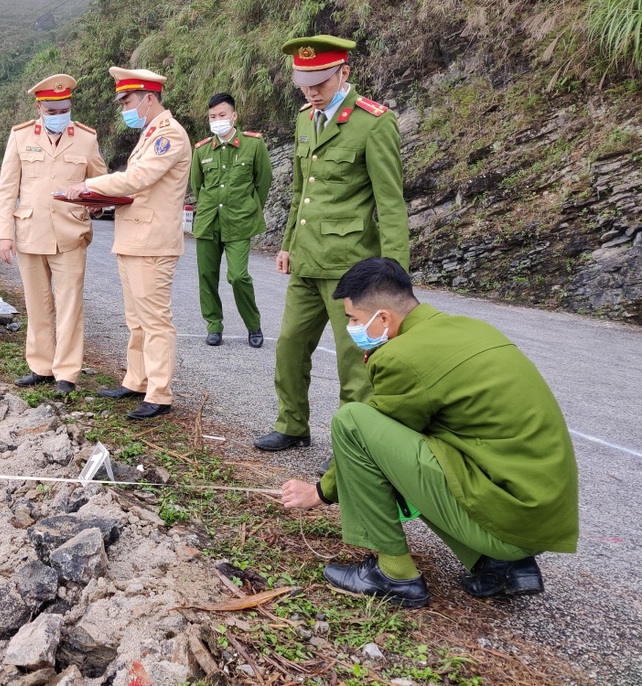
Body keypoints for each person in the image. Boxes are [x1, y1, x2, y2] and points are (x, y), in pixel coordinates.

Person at [280, 258, 578, 607]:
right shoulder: (467, 328)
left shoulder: (402, 357)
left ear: (384, 318)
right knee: (425, 443)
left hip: (510, 516)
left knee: (351, 422)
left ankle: (394, 574)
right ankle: (500, 565)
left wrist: (320, 492)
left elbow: (368, 437)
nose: (351, 328)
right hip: (540, 512)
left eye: (355, 319)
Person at [254, 35, 410, 453]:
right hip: (306, 261)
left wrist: (393, 279)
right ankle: (292, 425)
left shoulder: (373, 123)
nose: (311, 92)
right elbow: (301, 193)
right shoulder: (306, 118)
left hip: (352, 269)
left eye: (320, 83)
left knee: (353, 364)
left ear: (344, 73)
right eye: (304, 84)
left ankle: (352, 447)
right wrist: (287, 243)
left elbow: (390, 206)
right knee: (289, 346)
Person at [64, 67, 191, 420]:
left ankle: (160, 393)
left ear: (149, 99)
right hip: (133, 239)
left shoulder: (170, 135)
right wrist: (102, 199)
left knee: (155, 321)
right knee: (136, 320)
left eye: (128, 101)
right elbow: (139, 191)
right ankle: (137, 380)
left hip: (152, 244)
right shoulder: (150, 134)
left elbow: (138, 178)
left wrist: (91, 186)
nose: (125, 108)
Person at [0, 73, 108, 395]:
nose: (58, 116)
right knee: (37, 303)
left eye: (64, 110)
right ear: (39, 107)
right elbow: (8, 191)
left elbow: (99, 183)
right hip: (30, 232)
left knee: (70, 305)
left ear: (70, 106)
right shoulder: (19, 136)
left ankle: (67, 373)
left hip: (71, 234)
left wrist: (96, 206)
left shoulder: (86, 138)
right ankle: (40, 366)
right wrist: (5, 235)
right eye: (52, 111)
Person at [190, 92, 273, 348]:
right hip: (208, 221)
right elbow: (197, 185)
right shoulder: (202, 149)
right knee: (207, 276)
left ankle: (253, 325)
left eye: (222, 115)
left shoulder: (253, 145)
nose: (217, 120)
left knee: (238, 276)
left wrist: (248, 208)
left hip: (239, 222)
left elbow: (263, 182)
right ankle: (214, 325)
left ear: (234, 116)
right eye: (213, 116)